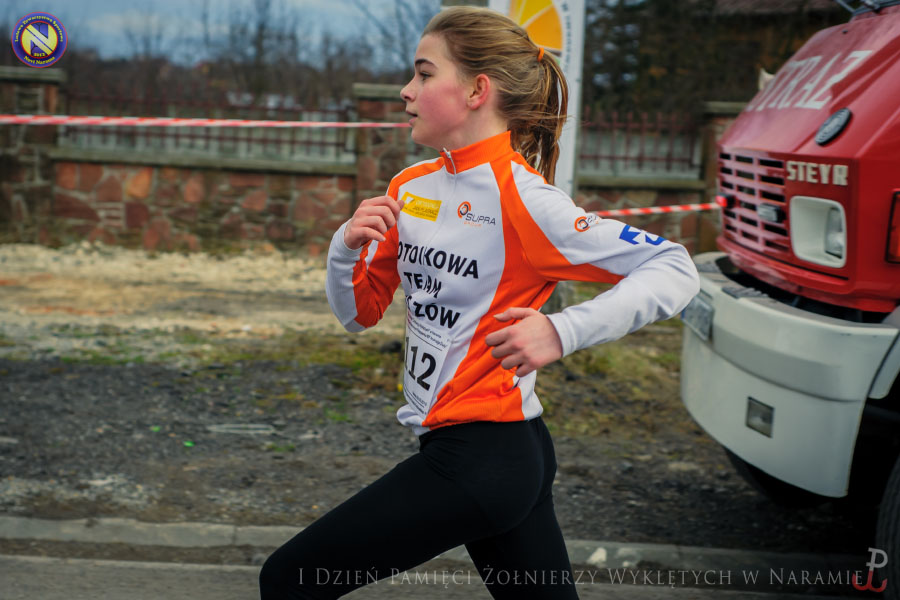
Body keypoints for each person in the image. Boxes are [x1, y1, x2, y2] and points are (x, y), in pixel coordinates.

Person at [259, 6, 699, 599]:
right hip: (494, 453)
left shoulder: (528, 200)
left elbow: (674, 266)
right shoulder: (409, 188)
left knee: (287, 579)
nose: (405, 90)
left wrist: (563, 331)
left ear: (476, 91)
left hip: (483, 459)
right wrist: (344, 249)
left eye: (423, 74)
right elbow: (357, 315)